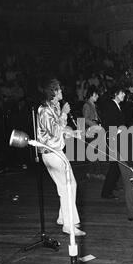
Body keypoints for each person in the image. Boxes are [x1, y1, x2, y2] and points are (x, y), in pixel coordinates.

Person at [37, 78, 85, 237]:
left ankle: (63, 218)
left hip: (55, 153)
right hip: (52, 154)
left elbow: (62, 129)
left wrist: (74, 133)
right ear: (53, 92)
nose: (61, 91)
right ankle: (69, 225)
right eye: (59, 89)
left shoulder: (54, 107)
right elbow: (54, 131)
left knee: (65, 187)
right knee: (69, 186)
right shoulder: (44, 110)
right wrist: (64, 113)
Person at [99, 85, 127, 200]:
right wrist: (117, 130)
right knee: (115, 166)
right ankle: (106, 192)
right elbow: (107, 123)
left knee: (115, 165)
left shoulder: (117, 105)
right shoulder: (111, 106)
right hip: (113, 139)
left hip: (116, 138)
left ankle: (112, 186)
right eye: (122, 93)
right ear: (116, 94)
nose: (124, 95)